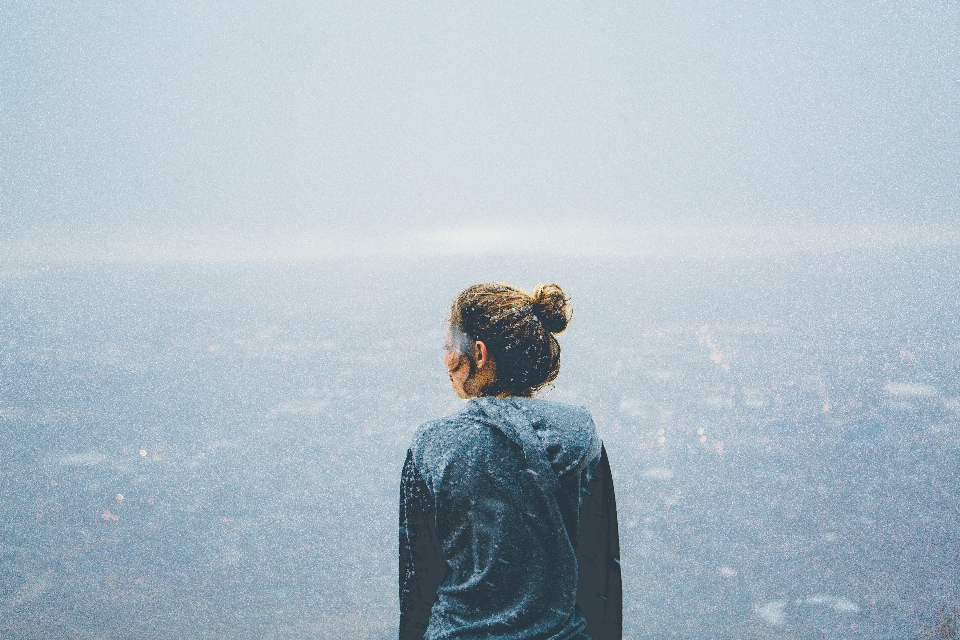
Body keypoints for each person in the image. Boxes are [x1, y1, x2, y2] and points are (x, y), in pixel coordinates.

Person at [399, 282, 621, 640]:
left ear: (480, 353)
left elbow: (419, 583)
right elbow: (599, 574)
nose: (445, 362)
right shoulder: (580, 436)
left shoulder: (433, 446)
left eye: (449, 349)